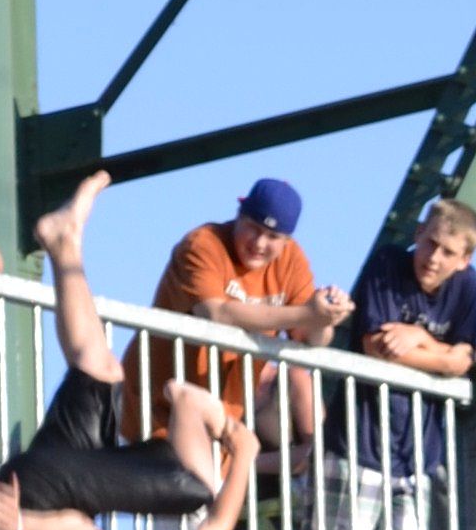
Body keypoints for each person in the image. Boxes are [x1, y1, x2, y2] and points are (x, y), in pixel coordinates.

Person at [0, 170, 259, 530]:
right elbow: (220, 525)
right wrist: (246, 452)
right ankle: (63, 243)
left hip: (36, 497)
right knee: (102, 371)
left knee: (195, 483)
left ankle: (190, 405)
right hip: (72, 484)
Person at [306, 196, 476, 530]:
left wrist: (421, 339)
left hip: (418, 457)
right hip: (356, 444)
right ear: (417, 236)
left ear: (465, 260)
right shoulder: (388, 264)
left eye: (448, 252)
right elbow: (379, 347)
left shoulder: (465, 288)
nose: (434, 257)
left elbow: (465, 360)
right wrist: (443, 357)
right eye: (429, 244)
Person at [126, 173, 350, 454]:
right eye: (253, 228)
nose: (259, 243)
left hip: (219, 425)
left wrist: (324, 318)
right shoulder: (203, 243)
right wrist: (307, 314)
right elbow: (215, 313)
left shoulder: (292, 260)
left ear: (286, 241)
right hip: (153, 409)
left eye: (272, 237)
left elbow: (312, 338)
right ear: (238, 215)